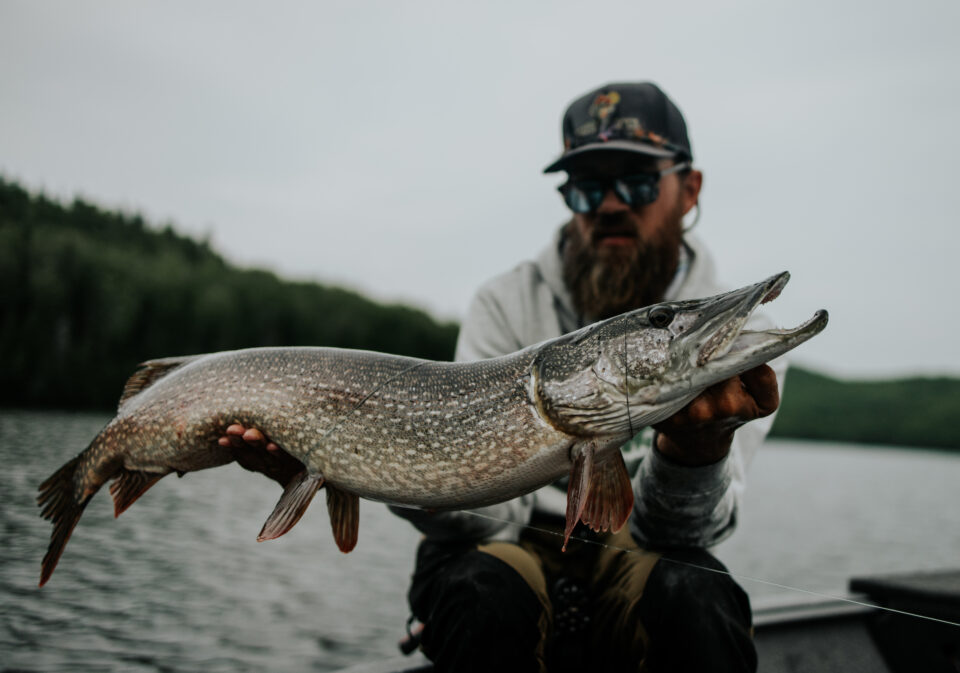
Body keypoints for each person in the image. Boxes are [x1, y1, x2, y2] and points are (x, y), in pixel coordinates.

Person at [223, 81, 784, 672]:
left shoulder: (739, 342)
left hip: (638, 547)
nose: (612, 203)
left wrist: (695, 453)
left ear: (689, 189)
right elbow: (489, 517)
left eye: (639, 182)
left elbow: (685, 533)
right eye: (589, 186)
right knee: (478, 592)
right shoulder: (504, 302)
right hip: (511, 542)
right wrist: (370, 465)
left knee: (699, 596)